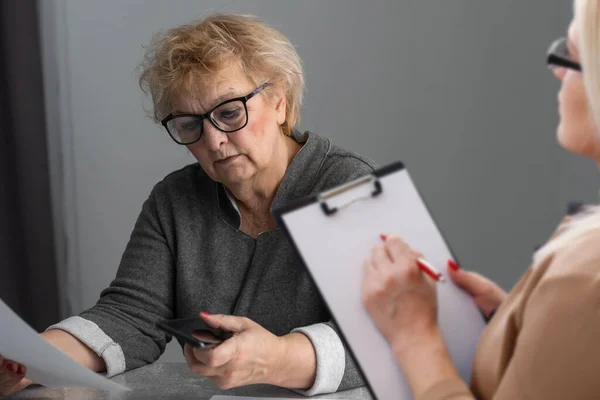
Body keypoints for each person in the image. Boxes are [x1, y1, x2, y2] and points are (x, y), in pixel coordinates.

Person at [0, 13, 374, 396]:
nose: (213, 141)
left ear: (279, 101)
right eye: (190, 125)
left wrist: (276, 357)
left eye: (229, 112)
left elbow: (390, 336)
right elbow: (130, 317)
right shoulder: (174, 200)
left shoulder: (349, 186)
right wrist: (29, 359)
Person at [362, 0, 600, 398]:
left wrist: (416, 339)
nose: (557, 70)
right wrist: (517, 319)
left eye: (572, 55)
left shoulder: (585, 278)